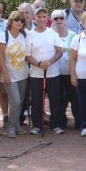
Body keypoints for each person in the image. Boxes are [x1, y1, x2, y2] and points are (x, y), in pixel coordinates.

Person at [25, 7, 64, 135]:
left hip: (53, 73)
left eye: (44, 16)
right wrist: (39, 64)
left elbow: (59, 51)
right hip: (36, 74)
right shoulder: (29, 35)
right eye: (39, 16)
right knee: (36, 100)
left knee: (55, 99)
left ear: (47, 18)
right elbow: (27, 56)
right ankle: (37, 125)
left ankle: (55, 125)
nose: (41, 19)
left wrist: (50, 62)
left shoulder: (52, 33)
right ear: (34, 18)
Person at [0, 11, 29, 138]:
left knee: (20, 101)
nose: (19, 22)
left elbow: (27, 55)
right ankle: (10, 127)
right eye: (16, 20)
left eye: (21, 20)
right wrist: (5, 74)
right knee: (15, 101)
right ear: (10, 21)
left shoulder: (24, 35)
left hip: (23, 74)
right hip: (9, 74)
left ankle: (16, 126)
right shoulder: (3, 36)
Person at [53, 9, 81, 132]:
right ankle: (59, 123)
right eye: (56, 18)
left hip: (70, 73)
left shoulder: (73, 35)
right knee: (58, 99)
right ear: (53, 20)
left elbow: (77, 55)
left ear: (65, 20)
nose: (59, 20)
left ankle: (80, 123)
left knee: (75, 98)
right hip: (55, 74)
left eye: (61, 18)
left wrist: (74, 73)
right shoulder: (50, 34)